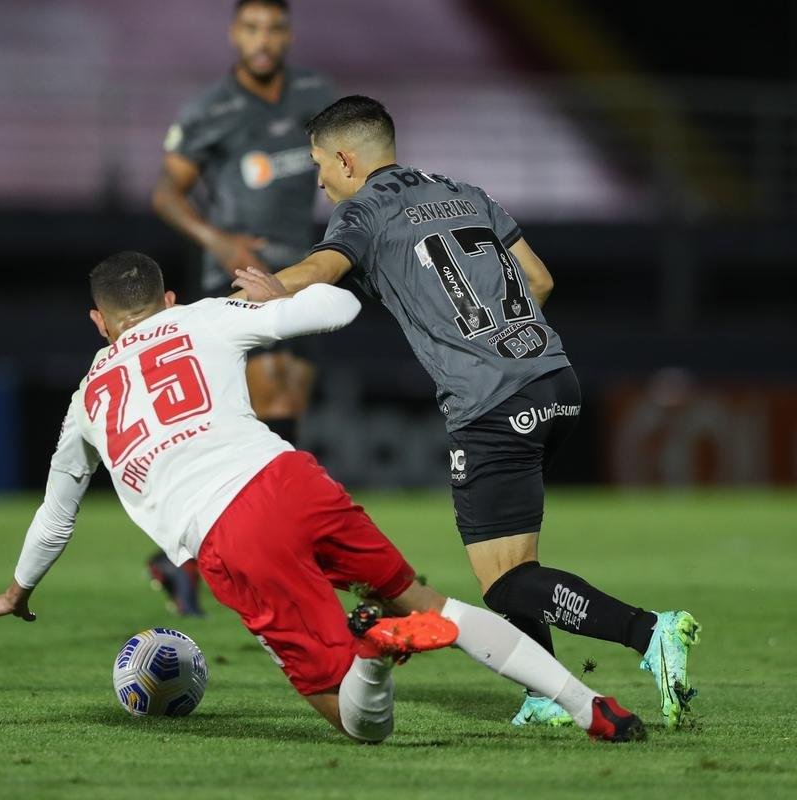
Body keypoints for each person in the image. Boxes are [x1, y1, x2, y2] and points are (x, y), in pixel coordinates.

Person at [0, 251, 646, 744]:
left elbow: (56, 515)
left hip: (229, 533)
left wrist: (17, 591)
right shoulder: (202, 318)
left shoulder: (85, 401)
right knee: (428, 602)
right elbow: (336, 306)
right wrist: (277, 294)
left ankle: (372, 651)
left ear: (99, 324)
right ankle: (592, 709)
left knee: (357, 724)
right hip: (291, 479)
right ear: (165, 302)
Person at [233, 96, 701, 730]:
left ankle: (650, 632)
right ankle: (543, 692)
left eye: (320, 165)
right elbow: (539, 279)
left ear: (346, 158)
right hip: (553, 379)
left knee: (505, 587)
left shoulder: (365, 209)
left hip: (492, 403)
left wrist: (274, 287)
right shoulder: (463, 191)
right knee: (517, 564)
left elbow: (325, 267)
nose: (319, 181)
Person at [147, 0, 337, 612]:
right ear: (234, 33)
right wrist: (218, 240)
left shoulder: (315, 93)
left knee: (282, 408)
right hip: (238, 275)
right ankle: (276, 551)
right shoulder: (212, 110)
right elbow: (166, 193)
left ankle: (183, 557)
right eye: (252, 27)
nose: (263, 39)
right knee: (271, 397)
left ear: (288, 33)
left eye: (274, 27)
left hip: (298, 276)